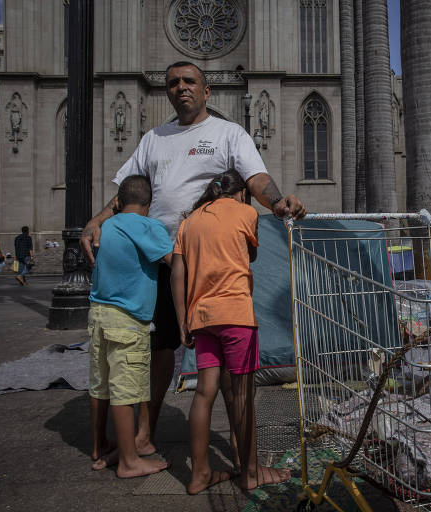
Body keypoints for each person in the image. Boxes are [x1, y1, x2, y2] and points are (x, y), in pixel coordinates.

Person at [80, 61, 307, 457]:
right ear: (167, 92)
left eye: (189, 81)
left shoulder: (228, 133)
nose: (180, 87)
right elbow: (127, 191)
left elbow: (255, 178)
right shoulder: (154, 138)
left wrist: (277, 201)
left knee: (230, 364)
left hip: (212, 266)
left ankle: (241, 450)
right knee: (162, 347)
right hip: (162, 260)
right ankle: (146, 433)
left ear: (206, 92)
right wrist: (96, 222)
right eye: (173, 83)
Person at [172, 171, 290, 493]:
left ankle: (199, 475)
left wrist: (183, 320)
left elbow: (178, 274)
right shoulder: (246, 213)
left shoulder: (189, 222)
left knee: (204, 392)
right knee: (242, 394)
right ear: (241, 194)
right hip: (236, 315)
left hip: (202, 317)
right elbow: (249, 254)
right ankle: (250, 473)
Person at [87, 175, 173, 478]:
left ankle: (100, 445)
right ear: (148, 206)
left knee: (101, 383)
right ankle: (129, 461)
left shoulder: (108, 225)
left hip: (98, 314)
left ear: (119, 203)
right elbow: (173, 259)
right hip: (127, 319)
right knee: (126, 391)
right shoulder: (149, 226)